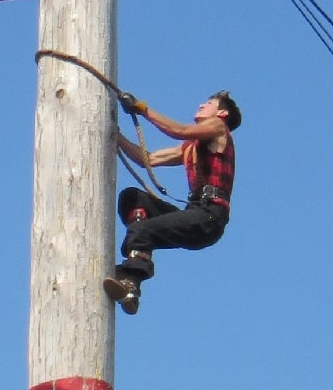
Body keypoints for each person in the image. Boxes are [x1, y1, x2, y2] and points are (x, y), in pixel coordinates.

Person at [101, 90, 241, 315]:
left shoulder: (218, 128)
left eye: (210, 103)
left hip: (210, 215)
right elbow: (151, 159)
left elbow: (179, 130)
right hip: (196, 211)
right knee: (133, 198)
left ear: (222, 113)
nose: (202, 105)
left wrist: (142, 108)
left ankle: (132, 278)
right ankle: (134, 266)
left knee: (141, 230)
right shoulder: (192, 147)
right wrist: (115, 136)